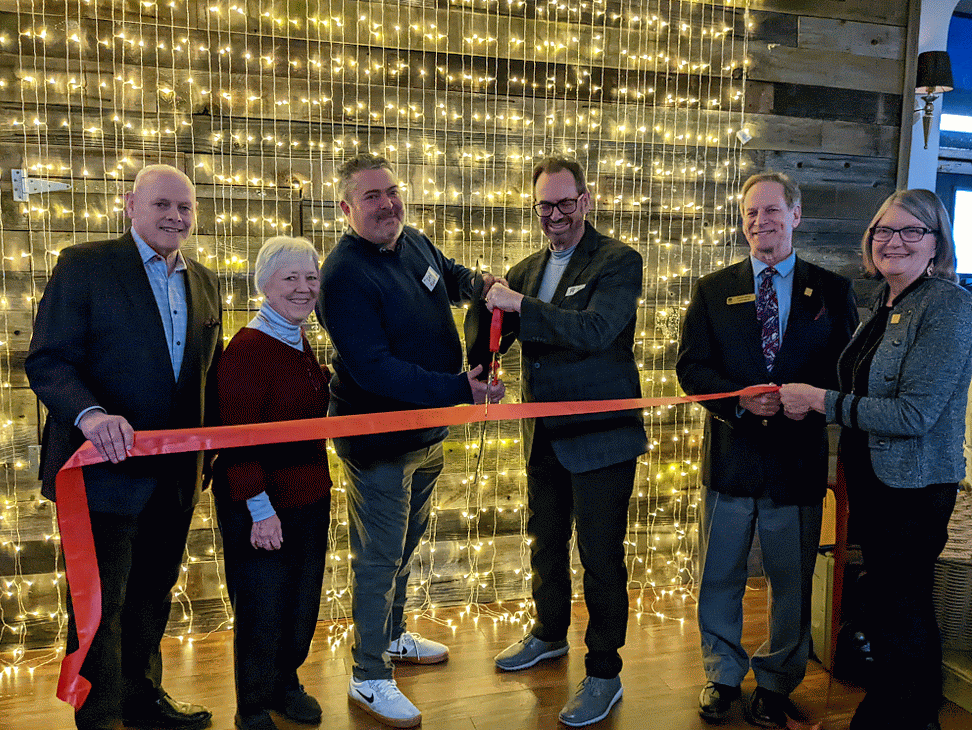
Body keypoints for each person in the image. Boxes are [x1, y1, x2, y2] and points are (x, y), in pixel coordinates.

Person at [25, 164, 222, 730]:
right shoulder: (84, 265)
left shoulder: (205, 281)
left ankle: (143, 697)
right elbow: (48, 359)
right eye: (163, 205)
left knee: (152, 598)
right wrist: (90, 415)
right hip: (98, 474)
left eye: (185, 208)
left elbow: (204, 378)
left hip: (177, 476)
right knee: (98, 607)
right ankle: (100, 714)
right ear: (129, 204)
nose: (175, 217)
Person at [316, 152, 504, 728]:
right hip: (378, 442)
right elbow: (375, 371)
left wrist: (484, 284)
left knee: (405, 547)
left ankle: (392, 636)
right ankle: (369, 675)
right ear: (347, 207)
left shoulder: (413, 241)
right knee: (378, 557)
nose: (387, 204)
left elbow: (449, 275)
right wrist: (458, 389)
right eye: (372, 196)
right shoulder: (343, 275)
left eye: (392, 191)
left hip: (426, 434)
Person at [781, 189, 972, 730]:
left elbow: (914, 415)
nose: (894, 241)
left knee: (904, 608)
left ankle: (909, 719)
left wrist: (819, 401)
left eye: (912, 231)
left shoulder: (947, 307)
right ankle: (890, 714)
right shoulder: (891, 303)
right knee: (890, 608)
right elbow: (864, 386)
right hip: (873, 480)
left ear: (936, 243)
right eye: (884, 231)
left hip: (914, 487)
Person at [676, 171, 858, 728]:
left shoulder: (831, 290)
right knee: (720, 576)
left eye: (773, 211)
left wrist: (812, 399)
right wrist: (737, 402)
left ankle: (777, 682)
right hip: (730, 460)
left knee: (791, 583)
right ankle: (722, 676)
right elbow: (691, 368)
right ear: (742, 220)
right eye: (752, 213)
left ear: (796, 216)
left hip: (797, 465)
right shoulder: (712, 289)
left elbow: (848, 371)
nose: (762, 222)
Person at [482, 156, 648, 727]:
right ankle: (550, 634)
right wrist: (482, 327)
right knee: (545, 542)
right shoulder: (526, 269)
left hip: (603, 441)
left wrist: (522, 307)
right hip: (545, 436)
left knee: (601, 557)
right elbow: (496, 338)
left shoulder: (618, 261)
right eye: (544, 205)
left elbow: (598, 331)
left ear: (586, 200)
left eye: (565, 203)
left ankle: (604, 672)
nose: (555, 215)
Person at [213, 237, 332, 730]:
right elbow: (238, 438)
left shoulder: (297, 337)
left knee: (301, 603)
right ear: (263, 285)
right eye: (291, 278)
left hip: (309, 494)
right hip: (263, 502)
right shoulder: (247, 349)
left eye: (311, 277)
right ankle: (252, 704)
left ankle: (286, 682)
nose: (304, 288)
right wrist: (260, 511)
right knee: (262, 608)